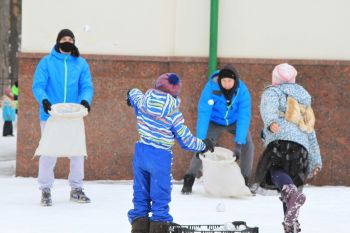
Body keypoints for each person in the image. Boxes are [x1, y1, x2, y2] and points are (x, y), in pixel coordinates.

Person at [126, 73, 214, 233]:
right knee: (160, 196)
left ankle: (139, 226)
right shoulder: (173, 114)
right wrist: (203, 145)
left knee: (140, 192)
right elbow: (186, 140)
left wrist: (130, 93)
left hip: (141, 153)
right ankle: (159, 226)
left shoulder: (142, 102)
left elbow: (134, 93)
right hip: (160, 157)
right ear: (175, 93)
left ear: (156, 86)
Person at [254, 63, 322, 233]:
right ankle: (291, 223)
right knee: (290, 182)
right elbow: (310, 131)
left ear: (275, 78)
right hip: (302, 148)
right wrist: (316, 160)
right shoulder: (303, 101)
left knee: (274, 169)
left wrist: (271, 123)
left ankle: (290, 196)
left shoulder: (273, 91)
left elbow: (268, 108)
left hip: (281, 140)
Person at [32, 29, 94, 206]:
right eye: (64, 38)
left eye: (70, 39)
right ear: (58, 41)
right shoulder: (47, 62)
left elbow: (87, 86)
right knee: (49, 152)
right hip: (51, 115)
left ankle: (76, 189)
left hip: (73, 114)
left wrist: (85, 100)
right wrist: (44, 100)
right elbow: (38, 85)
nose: (67, 41)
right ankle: (45, 190)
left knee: (77, 153)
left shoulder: (80, 64)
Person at [181, 64, 254, 194]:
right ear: (220, 80)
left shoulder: (242, 91)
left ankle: (245, 181)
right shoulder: (211, 88)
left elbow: (244, 116)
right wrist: (201, 140)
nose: (226, 83)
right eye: (224, 80)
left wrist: (238, 143)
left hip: (234, 121)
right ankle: (189, 178)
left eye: (229, 81)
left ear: (235, 81)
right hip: (214, 121)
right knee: (202, 148)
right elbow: (204, 113)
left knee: (248, 145)